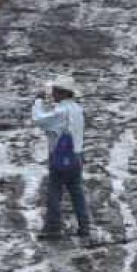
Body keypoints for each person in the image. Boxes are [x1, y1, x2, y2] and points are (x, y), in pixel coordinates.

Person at [32, 76, 89, 240]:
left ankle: (53, 228)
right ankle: (84, 226)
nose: (53, 94)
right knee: (77, 191)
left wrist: (38, 101)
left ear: (62, 93)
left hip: (59, 156)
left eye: (55, 91)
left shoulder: (61, 112)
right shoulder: (77, 109)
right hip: (77, 155)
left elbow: (39, 120)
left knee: (54, 192)